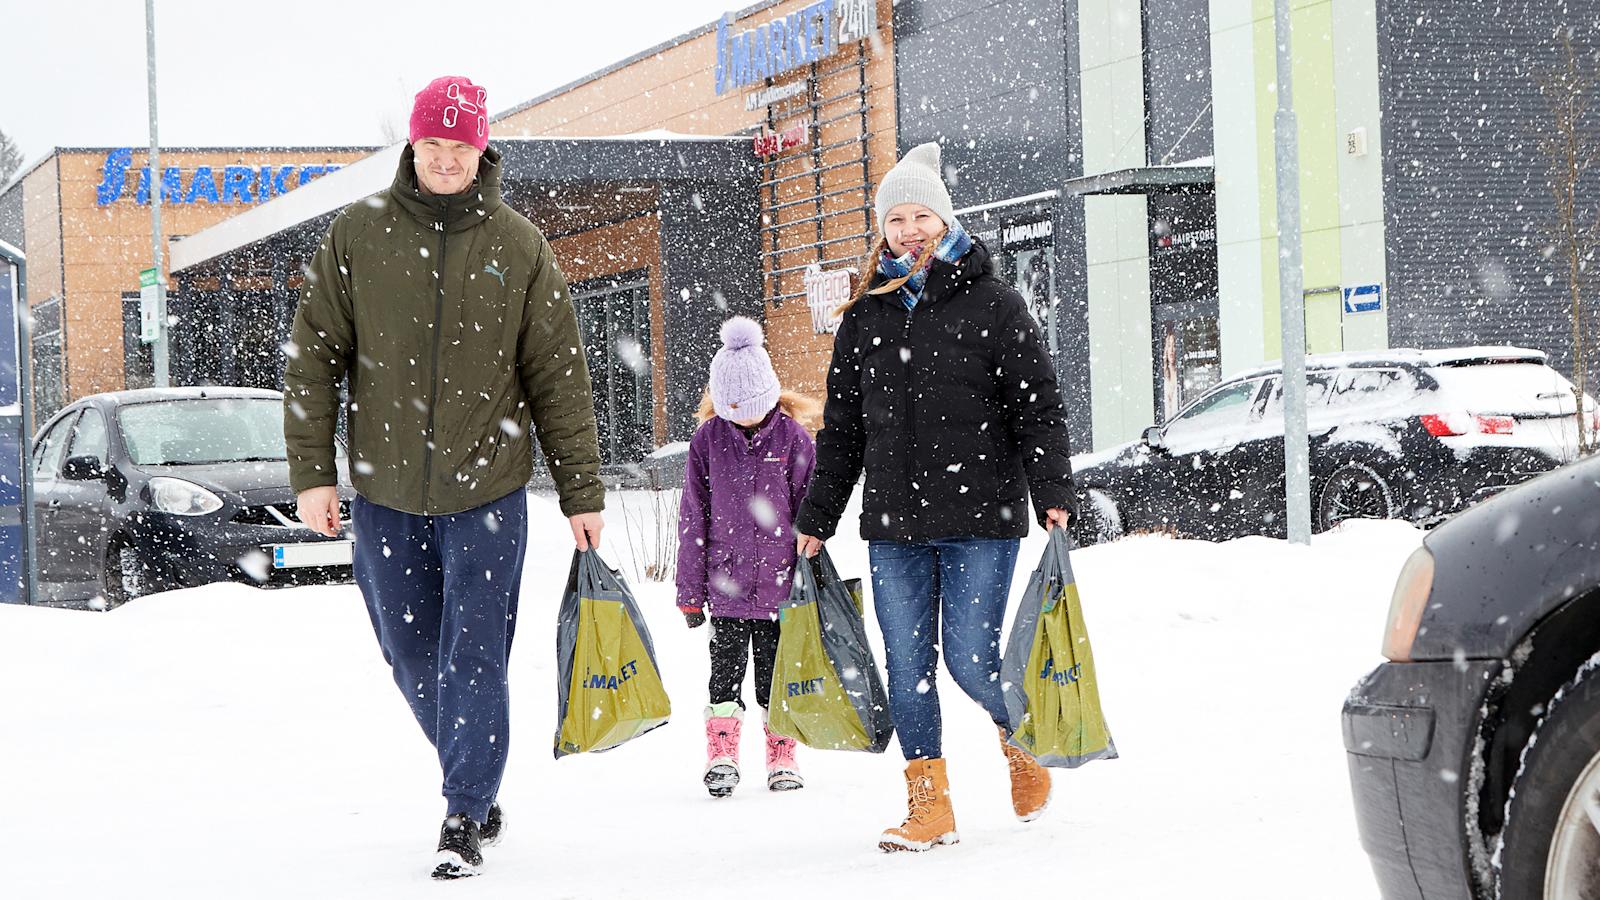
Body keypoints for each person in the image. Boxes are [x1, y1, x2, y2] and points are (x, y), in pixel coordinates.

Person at [283, 75, 604, 880]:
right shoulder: (359, 235)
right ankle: (477, 766)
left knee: (473, 656)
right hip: (384, 491)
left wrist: (582, 491)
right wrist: (313, 473)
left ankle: (464, 807)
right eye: (434, 145)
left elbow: (558, 378)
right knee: (407, 650)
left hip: (488, 490)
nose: (447, 160)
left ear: (480, 149)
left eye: (461, 147)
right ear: (414, 146)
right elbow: (314, 360)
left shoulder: (520, 245)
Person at [793, 142, 1075, 852]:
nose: (910, 229)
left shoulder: (995, 305)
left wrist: (1053, 491)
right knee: (907, 666)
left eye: (922, 214)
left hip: (982, 518)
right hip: (895, 523)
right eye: (897, 218)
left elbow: (1038, 407)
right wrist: (817, 516)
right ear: (882, 229)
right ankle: (930, 806)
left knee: (972, 661)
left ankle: (1022, 738)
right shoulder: (865, 319)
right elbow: (844, 431)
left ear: (945, 221)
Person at [677, 316, 819, 798]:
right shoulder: (707, 442)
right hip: (728, 587)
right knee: (725, 673)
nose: (740, 417)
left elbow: (811, 515)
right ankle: (721, 754)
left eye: (750, 409)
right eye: (730, 408)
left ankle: (782, 755)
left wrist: (813, 578)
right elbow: (693, 518)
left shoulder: (795, 442)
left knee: (777, 676)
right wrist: (690, 592)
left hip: (782, 586)